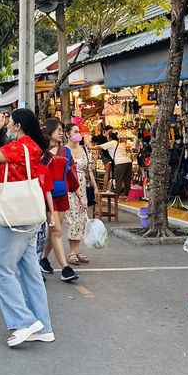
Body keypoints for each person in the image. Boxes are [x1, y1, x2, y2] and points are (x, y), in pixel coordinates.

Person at [0, 109, 55, 346]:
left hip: (16, 216)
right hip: (31, 213)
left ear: (18, 125)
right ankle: (43, 326)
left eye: (10, 120)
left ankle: (23, 321)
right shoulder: (32, 146)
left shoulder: (17, 148)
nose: (7, 122)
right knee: (30, 270)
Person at [39, 118, 81, 282]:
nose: (61, 132)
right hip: (47, 196)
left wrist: (79, 196)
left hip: (62, 195)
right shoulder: (40, 152)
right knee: (57, 231)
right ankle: (65, 268)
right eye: (58, 129)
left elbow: (71, 175)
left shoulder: (65, 151)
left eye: (62, 129)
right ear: (49, 132)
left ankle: (43, 258)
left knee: (54, 231)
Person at [64, 123, 99, 265]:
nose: (78, 134)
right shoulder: (64, 150)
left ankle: (77, 250)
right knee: (72, 219)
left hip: (83, 187)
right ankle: (72, 252)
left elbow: (89, 170)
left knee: (82, 219)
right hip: (69, 188)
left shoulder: (84, 149)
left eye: (79, 131)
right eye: (75, 131)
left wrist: (96, 187)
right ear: (68, 134)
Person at [101, 131, 132, 198]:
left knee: (118, 180)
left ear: (110, 138)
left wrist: (89, 146)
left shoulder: (110, 143)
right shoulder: (120, 144)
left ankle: (116, 196)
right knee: (127, 180)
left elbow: (98, 147)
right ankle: (127, 195)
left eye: (108, 137)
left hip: (120, 163)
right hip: (128, 162)